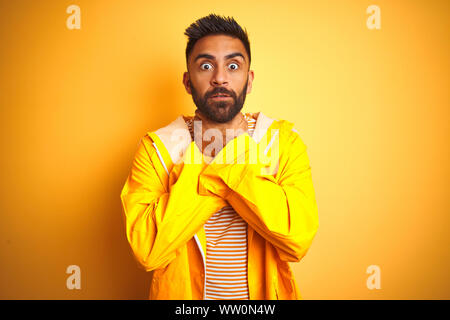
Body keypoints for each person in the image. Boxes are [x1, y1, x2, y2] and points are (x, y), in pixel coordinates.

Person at [120, 13, 319, 300]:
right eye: (206, 66)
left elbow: (297, 239)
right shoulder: (157, 149)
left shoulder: (283, 143)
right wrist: (213, 157)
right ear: (188, 82)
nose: (220, 78)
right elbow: (148, 249)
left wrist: (231, 154)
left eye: (233, 65)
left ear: (249, 81)